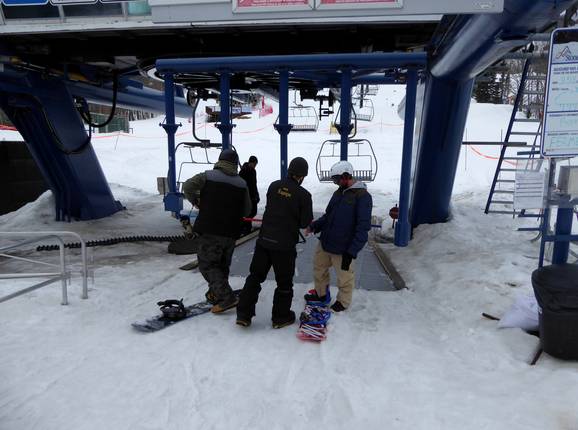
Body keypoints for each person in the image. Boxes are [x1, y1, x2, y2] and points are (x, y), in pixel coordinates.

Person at [236, 157, 313, 328]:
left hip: (264, 241)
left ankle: (243, 314)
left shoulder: (273, 186)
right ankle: (280, 317)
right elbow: (304, 222)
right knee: (284, 283)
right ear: (302, 176)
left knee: (255, 277)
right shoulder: (304, 195)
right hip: (284, 246)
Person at [182, 149, 252, 313]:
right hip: (231, 232)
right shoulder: (242, 184)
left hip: (210, 230)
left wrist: (196, 201)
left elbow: (187, 186)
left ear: (220, 161)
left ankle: (226, 298)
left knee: (208, 265)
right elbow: (247, 210)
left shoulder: (207, 176)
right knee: (222, 265)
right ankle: (216, 293)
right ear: (235, 164)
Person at [305, 160, 373, 312]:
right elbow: (328, 216)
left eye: (337, 179)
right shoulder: (338, 193)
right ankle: (321, 295)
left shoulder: (362, 197)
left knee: (344, 277)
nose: (335, 183)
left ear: (346, 176)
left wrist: (352, 251)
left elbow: (363, 228)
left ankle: (343, 302)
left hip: (344, 248)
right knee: (319, 269)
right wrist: (314, 226)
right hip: (326, 242)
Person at [239, 155, 259, 236]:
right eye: (254, 164)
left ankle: (246, 226)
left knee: (253, 211)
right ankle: (245, 227)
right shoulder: (243, 171)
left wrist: (256, 194)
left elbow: (254, 184)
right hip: (247, 195)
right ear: (251, 162)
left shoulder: (253, 171)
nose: (255, 166)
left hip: (253, 195)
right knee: (248, 212)